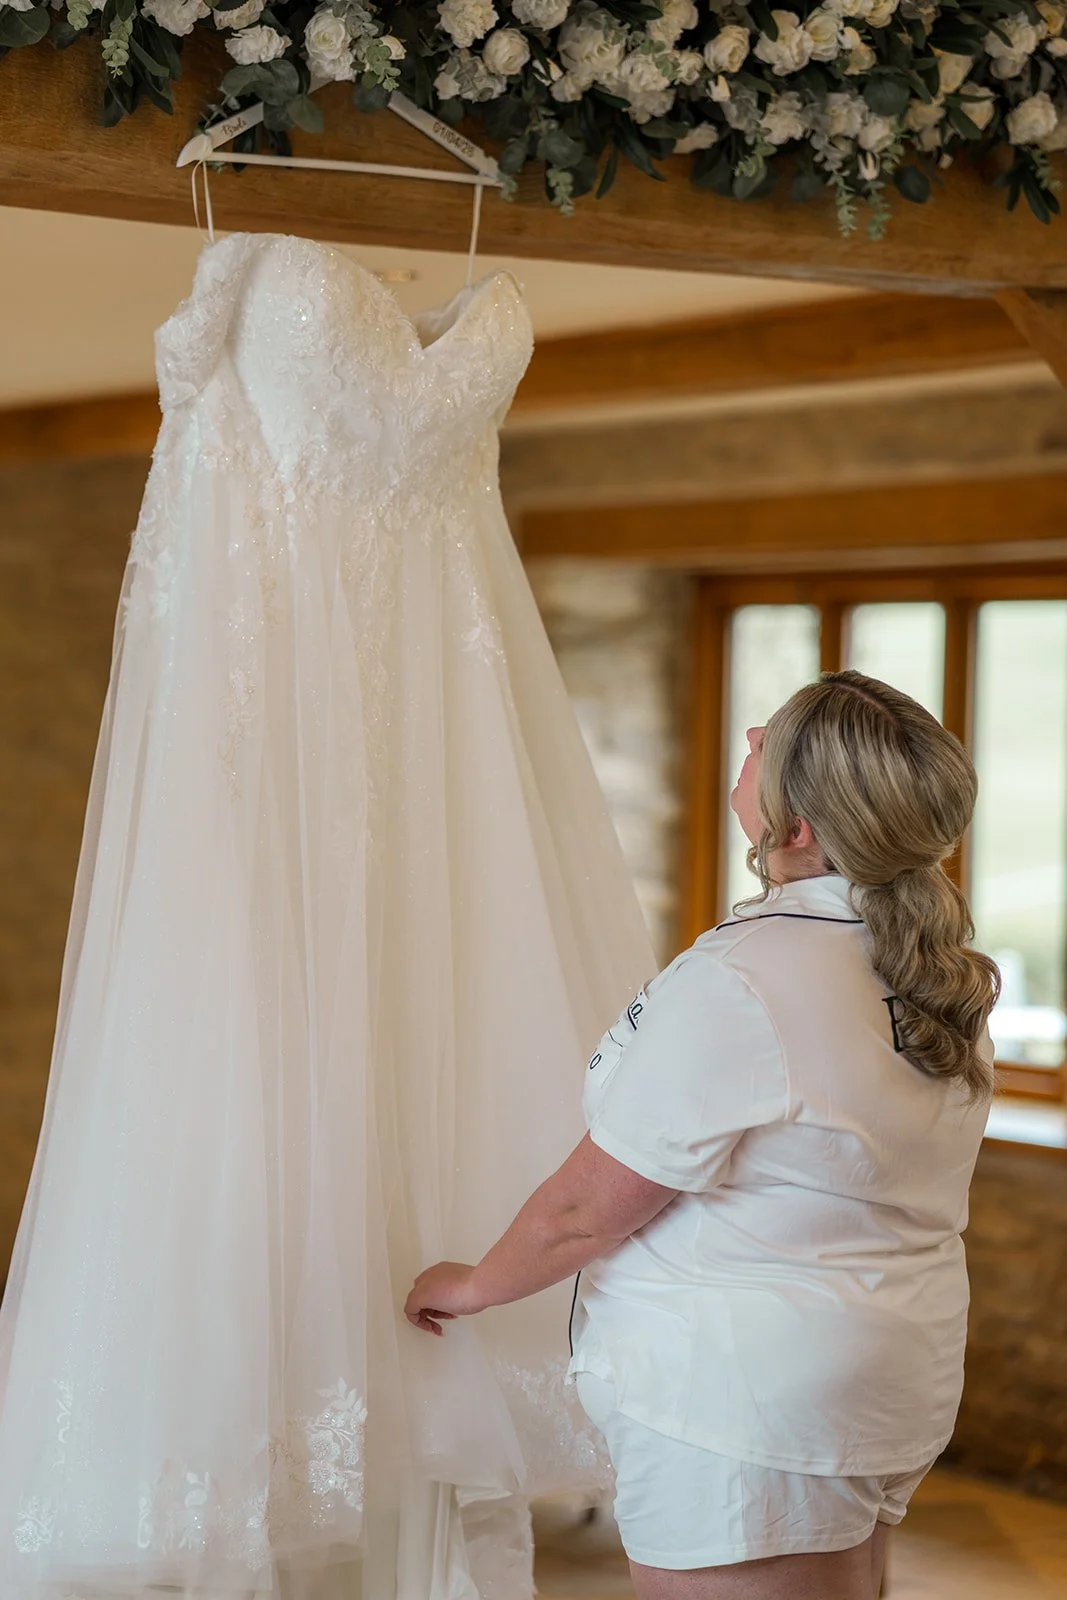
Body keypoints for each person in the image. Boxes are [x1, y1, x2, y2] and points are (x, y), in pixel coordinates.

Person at [406, 670, 1000, 1600]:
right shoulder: (931, 972)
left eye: (770, 742)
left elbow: (582, 1210)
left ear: (795, 829)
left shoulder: (746, 976)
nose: (752, 730)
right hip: (880, 1375)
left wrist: (474, 1284)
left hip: (745, 1408)